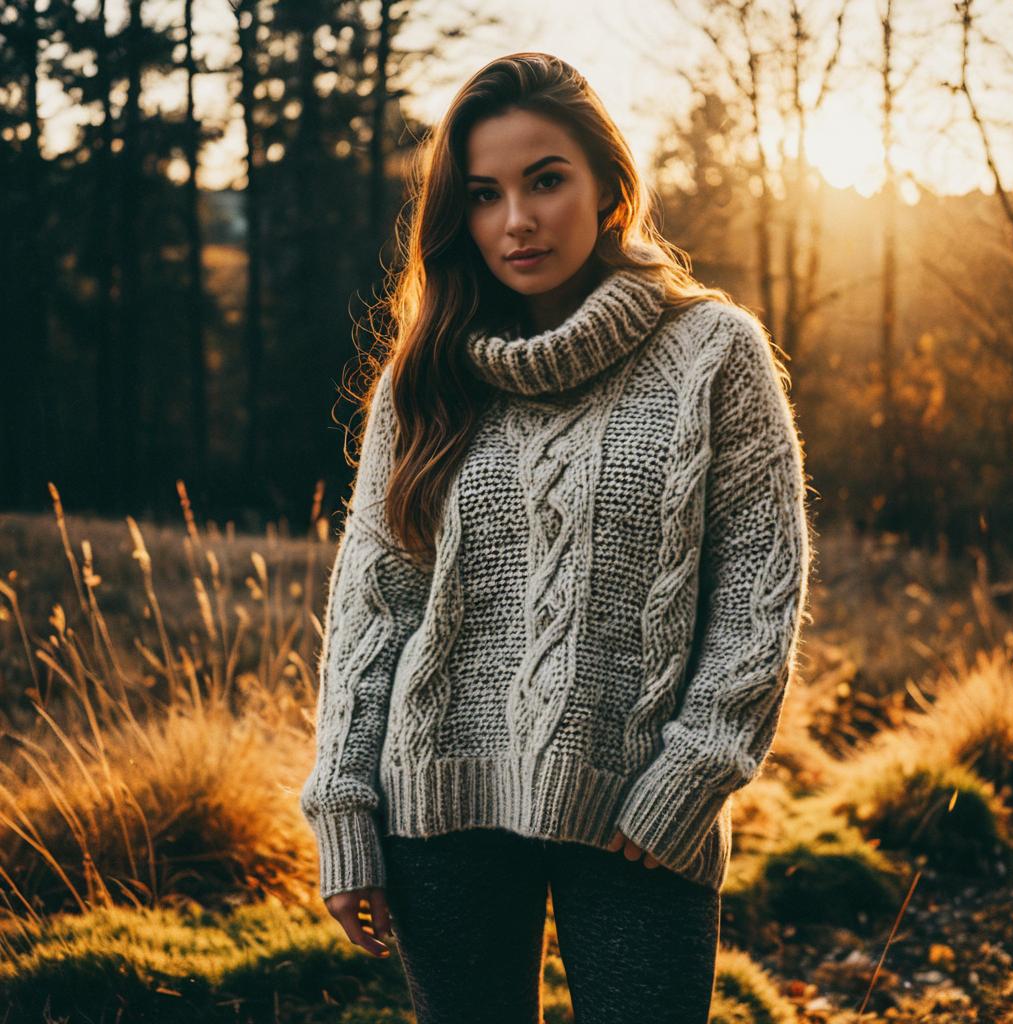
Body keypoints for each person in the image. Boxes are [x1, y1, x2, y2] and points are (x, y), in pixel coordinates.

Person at [300, 51, 813, 1024]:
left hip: (639, 815)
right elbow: (373, 609)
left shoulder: (713, 355)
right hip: (436, 802)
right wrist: (344, 816)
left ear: (610, 186)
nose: (516, 220)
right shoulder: (424, 380)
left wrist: (695, 770)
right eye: (485, 195)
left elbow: (758, 589)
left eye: (545, 180)